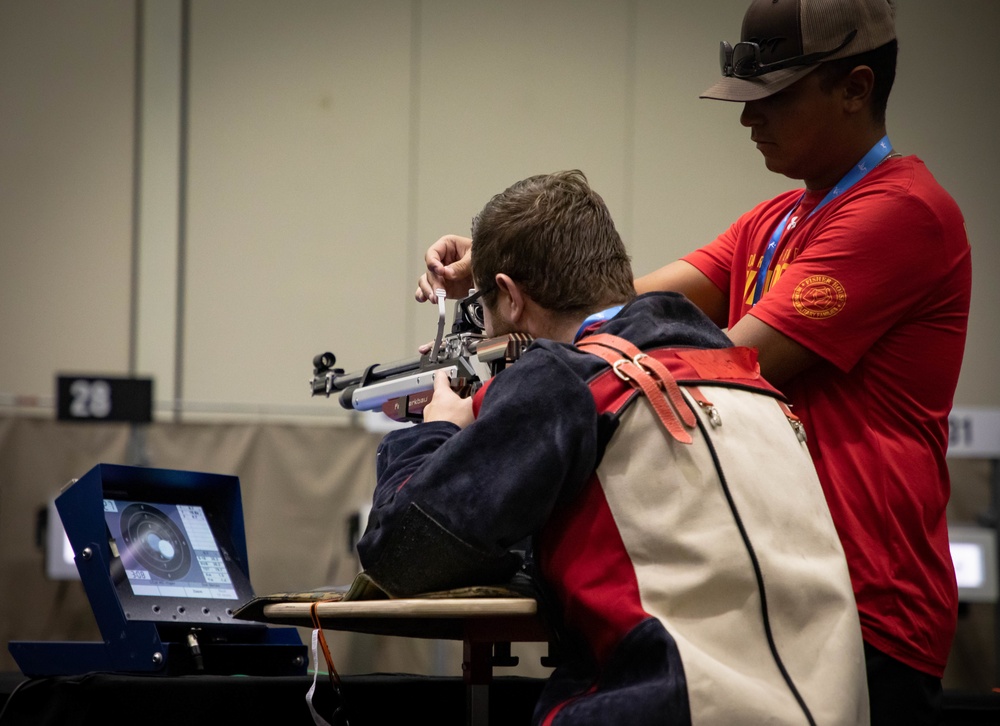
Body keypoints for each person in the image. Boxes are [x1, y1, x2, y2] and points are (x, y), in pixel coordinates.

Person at [414, 2, 972, 724]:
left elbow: (720, 365)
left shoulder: (902, 213)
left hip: (869, 601)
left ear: (856, 87)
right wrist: (499, 269)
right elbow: (598, 307)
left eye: (772, 98)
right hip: (780, 590)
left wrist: (480, 415)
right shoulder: (773, 223)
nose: (749, 120)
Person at [360, 170, 869, 725]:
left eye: (481, 309)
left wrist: (439, 430)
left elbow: (399, 552)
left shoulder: (562, 381)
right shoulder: (742, 376)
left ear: (508, 297)